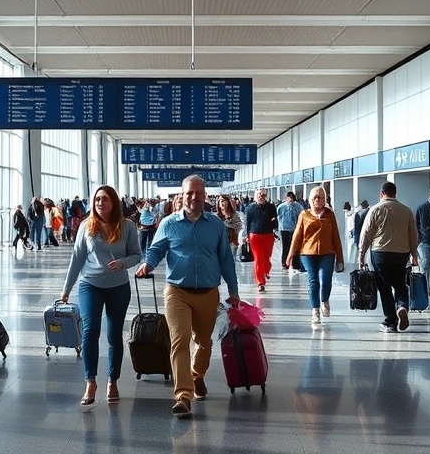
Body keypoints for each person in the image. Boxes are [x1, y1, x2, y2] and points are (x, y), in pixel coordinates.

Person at [136, 175, 239, 419]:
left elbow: (226, 258)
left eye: (199, 192)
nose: (194, 197)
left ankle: (197, 376)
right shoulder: (169, 223)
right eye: (189, 193)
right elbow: (156, 249)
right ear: (181, 195)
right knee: (179, 341)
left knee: (204, 342)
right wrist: (147, 264)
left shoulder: (215, 225)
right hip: (177, 292)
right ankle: (183, 395)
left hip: (207, 293)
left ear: (205, 196)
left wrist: (233, 291)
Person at [61, 186, 142, 405]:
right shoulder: (87, 226)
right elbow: (77, 258)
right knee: (90, 331)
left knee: (114, 335)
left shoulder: (127, 227)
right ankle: (90, 381)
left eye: (104, 199)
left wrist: (122, 263)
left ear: (114, 202)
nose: (99, 203)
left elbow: (137, 255)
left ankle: (112, 380)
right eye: (97, 199)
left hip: (118, 286)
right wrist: (66, 290)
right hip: (90, 285)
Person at [358, 182, 418, 333]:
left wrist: (361, 254)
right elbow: (413, 235)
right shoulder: (406, 211)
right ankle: (402, 306)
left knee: (384, 286)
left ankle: (390, 320)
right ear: (395, 193)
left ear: (382, 193)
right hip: (401, 254)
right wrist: (414, 256)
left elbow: (366, 234)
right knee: (400, 284)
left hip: (380, 253)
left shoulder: (375, 209)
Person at [286, 186, 344, 326]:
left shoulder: (330, 215)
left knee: (326, 280)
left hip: (327, 253)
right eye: (315, 197)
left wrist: (340, 258)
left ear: (325, 199)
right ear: (310, 200)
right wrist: (290, 255)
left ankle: (325, 300)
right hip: (308, 253)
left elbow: (335, 236)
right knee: (313, 281)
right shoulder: (304, 215)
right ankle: (315, 310)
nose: (318, 200)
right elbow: (297, 236)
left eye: (321, 197)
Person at [243, 188, 277, 292]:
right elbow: (247, 223)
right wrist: (246, 236)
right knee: (258, 258)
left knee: (266, 258)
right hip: (255, 236)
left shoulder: (271, 207)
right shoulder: (250, 208)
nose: (261, 197)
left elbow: (275, 219)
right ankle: (260, 282)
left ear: (265, 196)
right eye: (259, 195)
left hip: (268, 235)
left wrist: (273, 226)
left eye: (263, 195)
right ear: (255, 196)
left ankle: (265, 271)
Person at [277, 192, 304, 274]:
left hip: (294, 229)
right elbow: (278, 216)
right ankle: (285, 262)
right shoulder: (281, 207)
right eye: (289, 197)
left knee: (295, 247)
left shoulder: (298, 206)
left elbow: (302, 216)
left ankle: (295, 264)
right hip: (284, 229)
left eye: (292, 197)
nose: (290, 199)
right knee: (286, 247)